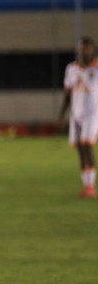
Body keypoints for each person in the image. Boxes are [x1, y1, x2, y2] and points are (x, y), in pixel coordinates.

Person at [58, 36, 98, 198]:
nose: (84, 51)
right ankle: (86, 185)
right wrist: (62, 115)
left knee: (86, 145)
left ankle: (91, 186)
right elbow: (67, 93)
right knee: (81, 149)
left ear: (93, 50)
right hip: (76, 115)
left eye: (87, 48)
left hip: (93, 114)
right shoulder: (71, 69)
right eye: (82, 48)